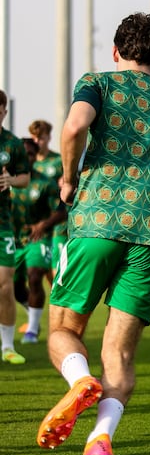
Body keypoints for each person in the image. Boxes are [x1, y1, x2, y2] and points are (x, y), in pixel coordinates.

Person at [36, 13, 150, 455]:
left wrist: (69, 179)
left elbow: (73, 128)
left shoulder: (98, 83)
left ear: (116, 52)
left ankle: (79, 380)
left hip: (95, 221)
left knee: (63, 328)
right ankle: (98, 442)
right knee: (122, 353)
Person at [11, 137, 66, 344]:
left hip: (38, 239)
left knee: (34, 277)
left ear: (36, 158)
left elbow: (61, 211)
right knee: (14, 288)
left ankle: (32, 330)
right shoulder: (6, 181)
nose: (28, 157)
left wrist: (43, 225)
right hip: (13, 240)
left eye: (32, 154)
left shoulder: (45, 183)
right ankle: (31, 311)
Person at [0, 89, 31, 364]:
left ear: (4, 112)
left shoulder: (12, 144)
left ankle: (7, 346)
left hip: (2, 222)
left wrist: (10, 181)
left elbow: (26, 177)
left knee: (5, 284)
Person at [28, 119, 66, 282]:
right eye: (34, 138)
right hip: (35, 226)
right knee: (32, 275)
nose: (37, 142)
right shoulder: (28, 163)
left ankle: (57, 307)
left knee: (56, 276)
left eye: (41, 138)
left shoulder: (58, 161)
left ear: (49, 138)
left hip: (57, 225)